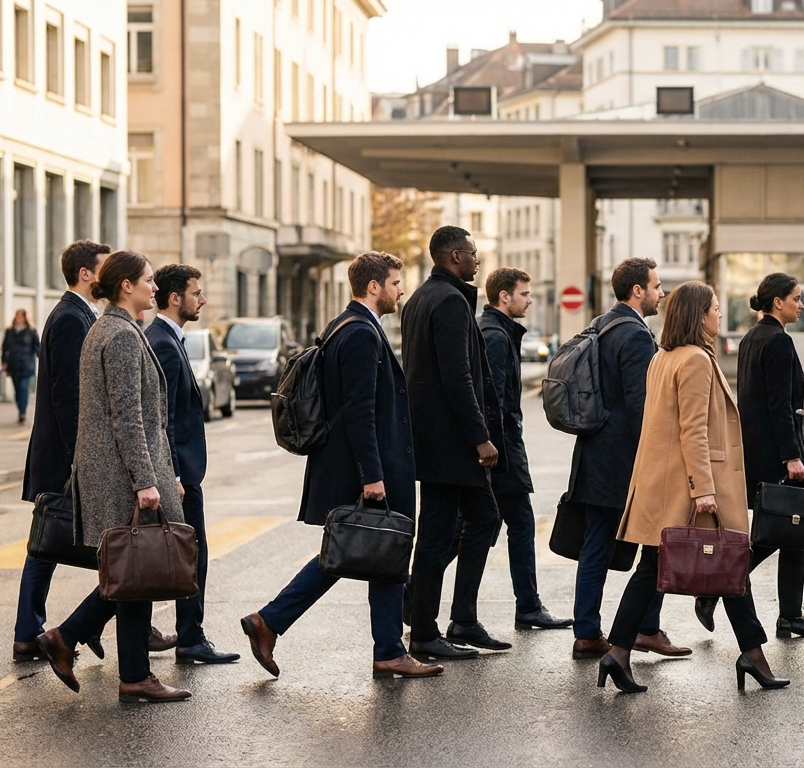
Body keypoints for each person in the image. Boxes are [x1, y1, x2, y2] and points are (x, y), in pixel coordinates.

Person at [240, 252, 441, 681]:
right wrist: (373, 475)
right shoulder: (361, 335)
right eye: (394, 283)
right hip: (367, 469)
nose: (400, 290)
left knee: (375, 554)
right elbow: (359, 412)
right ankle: (271, 621)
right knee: (359, 552)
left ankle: (384, 648)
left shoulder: (347, 326)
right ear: (374, 287)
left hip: (362, 465)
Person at [598, 282, 786, 694]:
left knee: (664, 570)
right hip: (691, 489)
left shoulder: (663, 357)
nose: (721, 315)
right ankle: (752, 657)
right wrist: (704, 488)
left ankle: (619, 652)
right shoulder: (696, 361)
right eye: (716, 308)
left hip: (663, 484)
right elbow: (693, 431)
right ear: (700, 315)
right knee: (728, 566)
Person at [36, 250, 192, 702]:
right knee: (137, 570)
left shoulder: (115, 328)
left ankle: (70, 641)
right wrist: (147, 480)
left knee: (130, 572)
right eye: (148, 280)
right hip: (123, 475)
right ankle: (131, 674)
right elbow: (128, 417)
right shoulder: (120, 336)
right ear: (126, 285)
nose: (155, 288)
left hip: (117, 470)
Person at [14, 241, 173, 662]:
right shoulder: (79, 320)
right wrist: (81, 464)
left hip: (88, 457)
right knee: (54, 544)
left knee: (90, 548)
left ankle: (76, 631)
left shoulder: (96, 320)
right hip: (74, 456)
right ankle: (47, 632)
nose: (153, 286)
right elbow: (80, 399)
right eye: (148, 280)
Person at [566, 258, 689, 660]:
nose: (661, 293)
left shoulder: (603, 324)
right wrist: (659, 459)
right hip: (623, 459)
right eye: (655, 286)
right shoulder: (635, 335)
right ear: (637, 290)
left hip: (595, 452)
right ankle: (645, 629)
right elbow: (643, 407)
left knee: (596, 546)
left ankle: (588, 631)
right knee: (655, 543)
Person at [696, 273, 804, 639]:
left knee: (788, 530)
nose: (801, 305)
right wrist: (792, 455)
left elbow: (762, 399)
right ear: (777, 303)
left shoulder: (753, 337)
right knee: (788, 528)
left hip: (756, 448)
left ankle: (788, 615)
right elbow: (776, 405)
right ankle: (716, 589)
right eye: (796, 298)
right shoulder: (778, 341)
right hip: (779, 452)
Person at [402, 226, 507, 657]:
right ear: (453, 256)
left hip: (438, 438)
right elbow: (457, 376)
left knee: (480, 520)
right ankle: (425, 630)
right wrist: (480, 437)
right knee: (437, 535)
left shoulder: (423, 297)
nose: (478, 259)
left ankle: (459, 619)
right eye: (473, 253)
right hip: (450, 442)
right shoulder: (447, 300)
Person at [144, 264, 240, 665]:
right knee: (188, 554)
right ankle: (190, 639)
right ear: (174, 298)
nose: (202, 299)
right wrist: (175, 475)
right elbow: (159, 417)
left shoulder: (172, 338)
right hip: (177, 474)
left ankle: (188, 636)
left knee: (177, 555)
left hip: (180, 471)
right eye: (196, 293)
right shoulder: (163, 342)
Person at [476, 267, 571, 630]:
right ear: (504, 297)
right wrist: (501, 455)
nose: (530, 299)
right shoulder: (496, 337)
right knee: (511, 526)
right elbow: (495, 402)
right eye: (525, 294)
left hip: (499, 452)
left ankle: (415, 597)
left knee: (480, 530)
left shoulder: (497, 331)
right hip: (501, 455)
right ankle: (528, 607)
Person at [2, 309, 39, 424]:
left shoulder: (31, 331)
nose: (19, 318)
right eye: (17, 316)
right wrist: (3, 362)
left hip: (26, 364)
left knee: (23, 388)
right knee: (17, 390)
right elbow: (4, 348)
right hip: (13, 365)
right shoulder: (9, 331)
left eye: (21, 316)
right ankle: (20, 408)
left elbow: (37, 347)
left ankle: (22, 413)